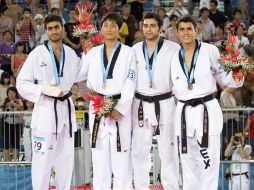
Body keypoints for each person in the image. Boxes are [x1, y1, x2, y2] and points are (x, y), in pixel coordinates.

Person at [170, 15, 244, 190]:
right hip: (183, 111)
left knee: (208, 160)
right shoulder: (174, 56)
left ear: (197, 30)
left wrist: (237, 71)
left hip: (206, 110)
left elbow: (225, 79)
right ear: (177, 32)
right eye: (182, 29)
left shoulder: (209, 50)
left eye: (190, 29)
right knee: (187, 161)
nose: (186, 32)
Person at [16, 14, 84, 190]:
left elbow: (82, 76)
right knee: (42, 164)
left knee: (65, 163)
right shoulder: (36, 54)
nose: (54, 31)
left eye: (57, 27)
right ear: (45, 31)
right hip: (45, 111)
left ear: (62, 28)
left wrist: (90, 50)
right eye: (50, 28)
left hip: (66, 114)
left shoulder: (71, 54)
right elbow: (21, 84)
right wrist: (42, 90)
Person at [81, 12, 137, 190]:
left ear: (119, 29)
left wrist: (120, 108)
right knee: (99, 159)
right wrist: (86, 93)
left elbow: (131, 80)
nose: (109, 29)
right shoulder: (92, 52)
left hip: (119, 109)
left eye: (113, 25)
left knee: (121, 159)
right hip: (97, 107)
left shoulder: (129, 52)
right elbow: (81, 76)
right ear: (101, 29)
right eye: (106, 25)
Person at [132, 12, 180, 190]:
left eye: (152, 26)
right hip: (140, 105)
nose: (149, 29)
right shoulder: (135, 49)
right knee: (139, 152)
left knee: (168, 152)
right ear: (141, 28)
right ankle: (141, 187)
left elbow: (179, 76)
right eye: (146, 26)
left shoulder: (173, 48)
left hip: (165, 103)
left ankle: (172, 187)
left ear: (161, 28)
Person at [3, 86, 24, 161]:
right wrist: (7, 104)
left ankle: (15, 161)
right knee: (7, 143)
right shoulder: (5, 101)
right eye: (9, 93)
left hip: (17, 124)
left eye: (13, 93)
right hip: (7, 124)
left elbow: (22, 108)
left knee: (16, 143)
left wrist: (14, 104)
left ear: (16, 93)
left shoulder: (19, 100)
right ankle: (7, 162)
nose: (11, 94)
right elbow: (3, 106)